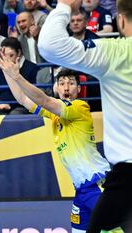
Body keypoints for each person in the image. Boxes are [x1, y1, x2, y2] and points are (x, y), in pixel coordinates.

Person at [38, 0, 132, 231]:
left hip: (125, 175)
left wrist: (64, 6)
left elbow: (50, 45)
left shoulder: (117, 52)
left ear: (120, 20)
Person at [0, 48, 111, 232]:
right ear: (56, 88)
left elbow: (45, 100)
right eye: (62, 83)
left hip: (97, 185)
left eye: (71, 83)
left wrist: (18, 76)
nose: (66, 87)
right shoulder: (54, 116)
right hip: (81, 191)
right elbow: (23, 99)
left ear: (79, 88)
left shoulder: (79, 107)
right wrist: (7, 71)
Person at [0, 37, 38, 115]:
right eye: (4, 56)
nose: (7, 60)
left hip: (23, 108)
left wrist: (10, 105)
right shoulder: (0, 72)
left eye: (11, 55)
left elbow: (33, 97)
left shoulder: (33, 69)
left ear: (19, 53)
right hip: (1, 108)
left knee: (14, 114)